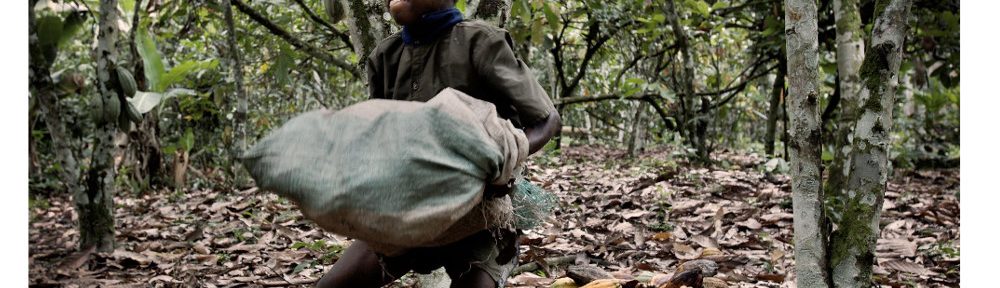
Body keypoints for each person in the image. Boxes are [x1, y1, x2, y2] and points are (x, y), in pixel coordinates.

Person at [316, 0, 560, 287]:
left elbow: (547, 120)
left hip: (481, 218)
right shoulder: (386, 55)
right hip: (410, 213)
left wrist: (498, 159)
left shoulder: (480, 41)